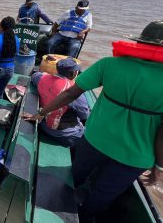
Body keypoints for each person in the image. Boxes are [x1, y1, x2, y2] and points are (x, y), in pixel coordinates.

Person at [24, 20, 163, 221]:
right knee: (102, 194)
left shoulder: (108, 64)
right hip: (134, 156)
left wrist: (41, 112)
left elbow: (70, 93)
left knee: (76, 175)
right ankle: (84, 215)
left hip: (95, 140)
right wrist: (159, 167)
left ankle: (60, 206)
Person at [31, 58, 89, 147]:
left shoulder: (42, 77)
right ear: (73, 73)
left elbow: (34, 76)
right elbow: (84, 115)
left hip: (43, 125)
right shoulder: (74, 92)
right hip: (64, 134)